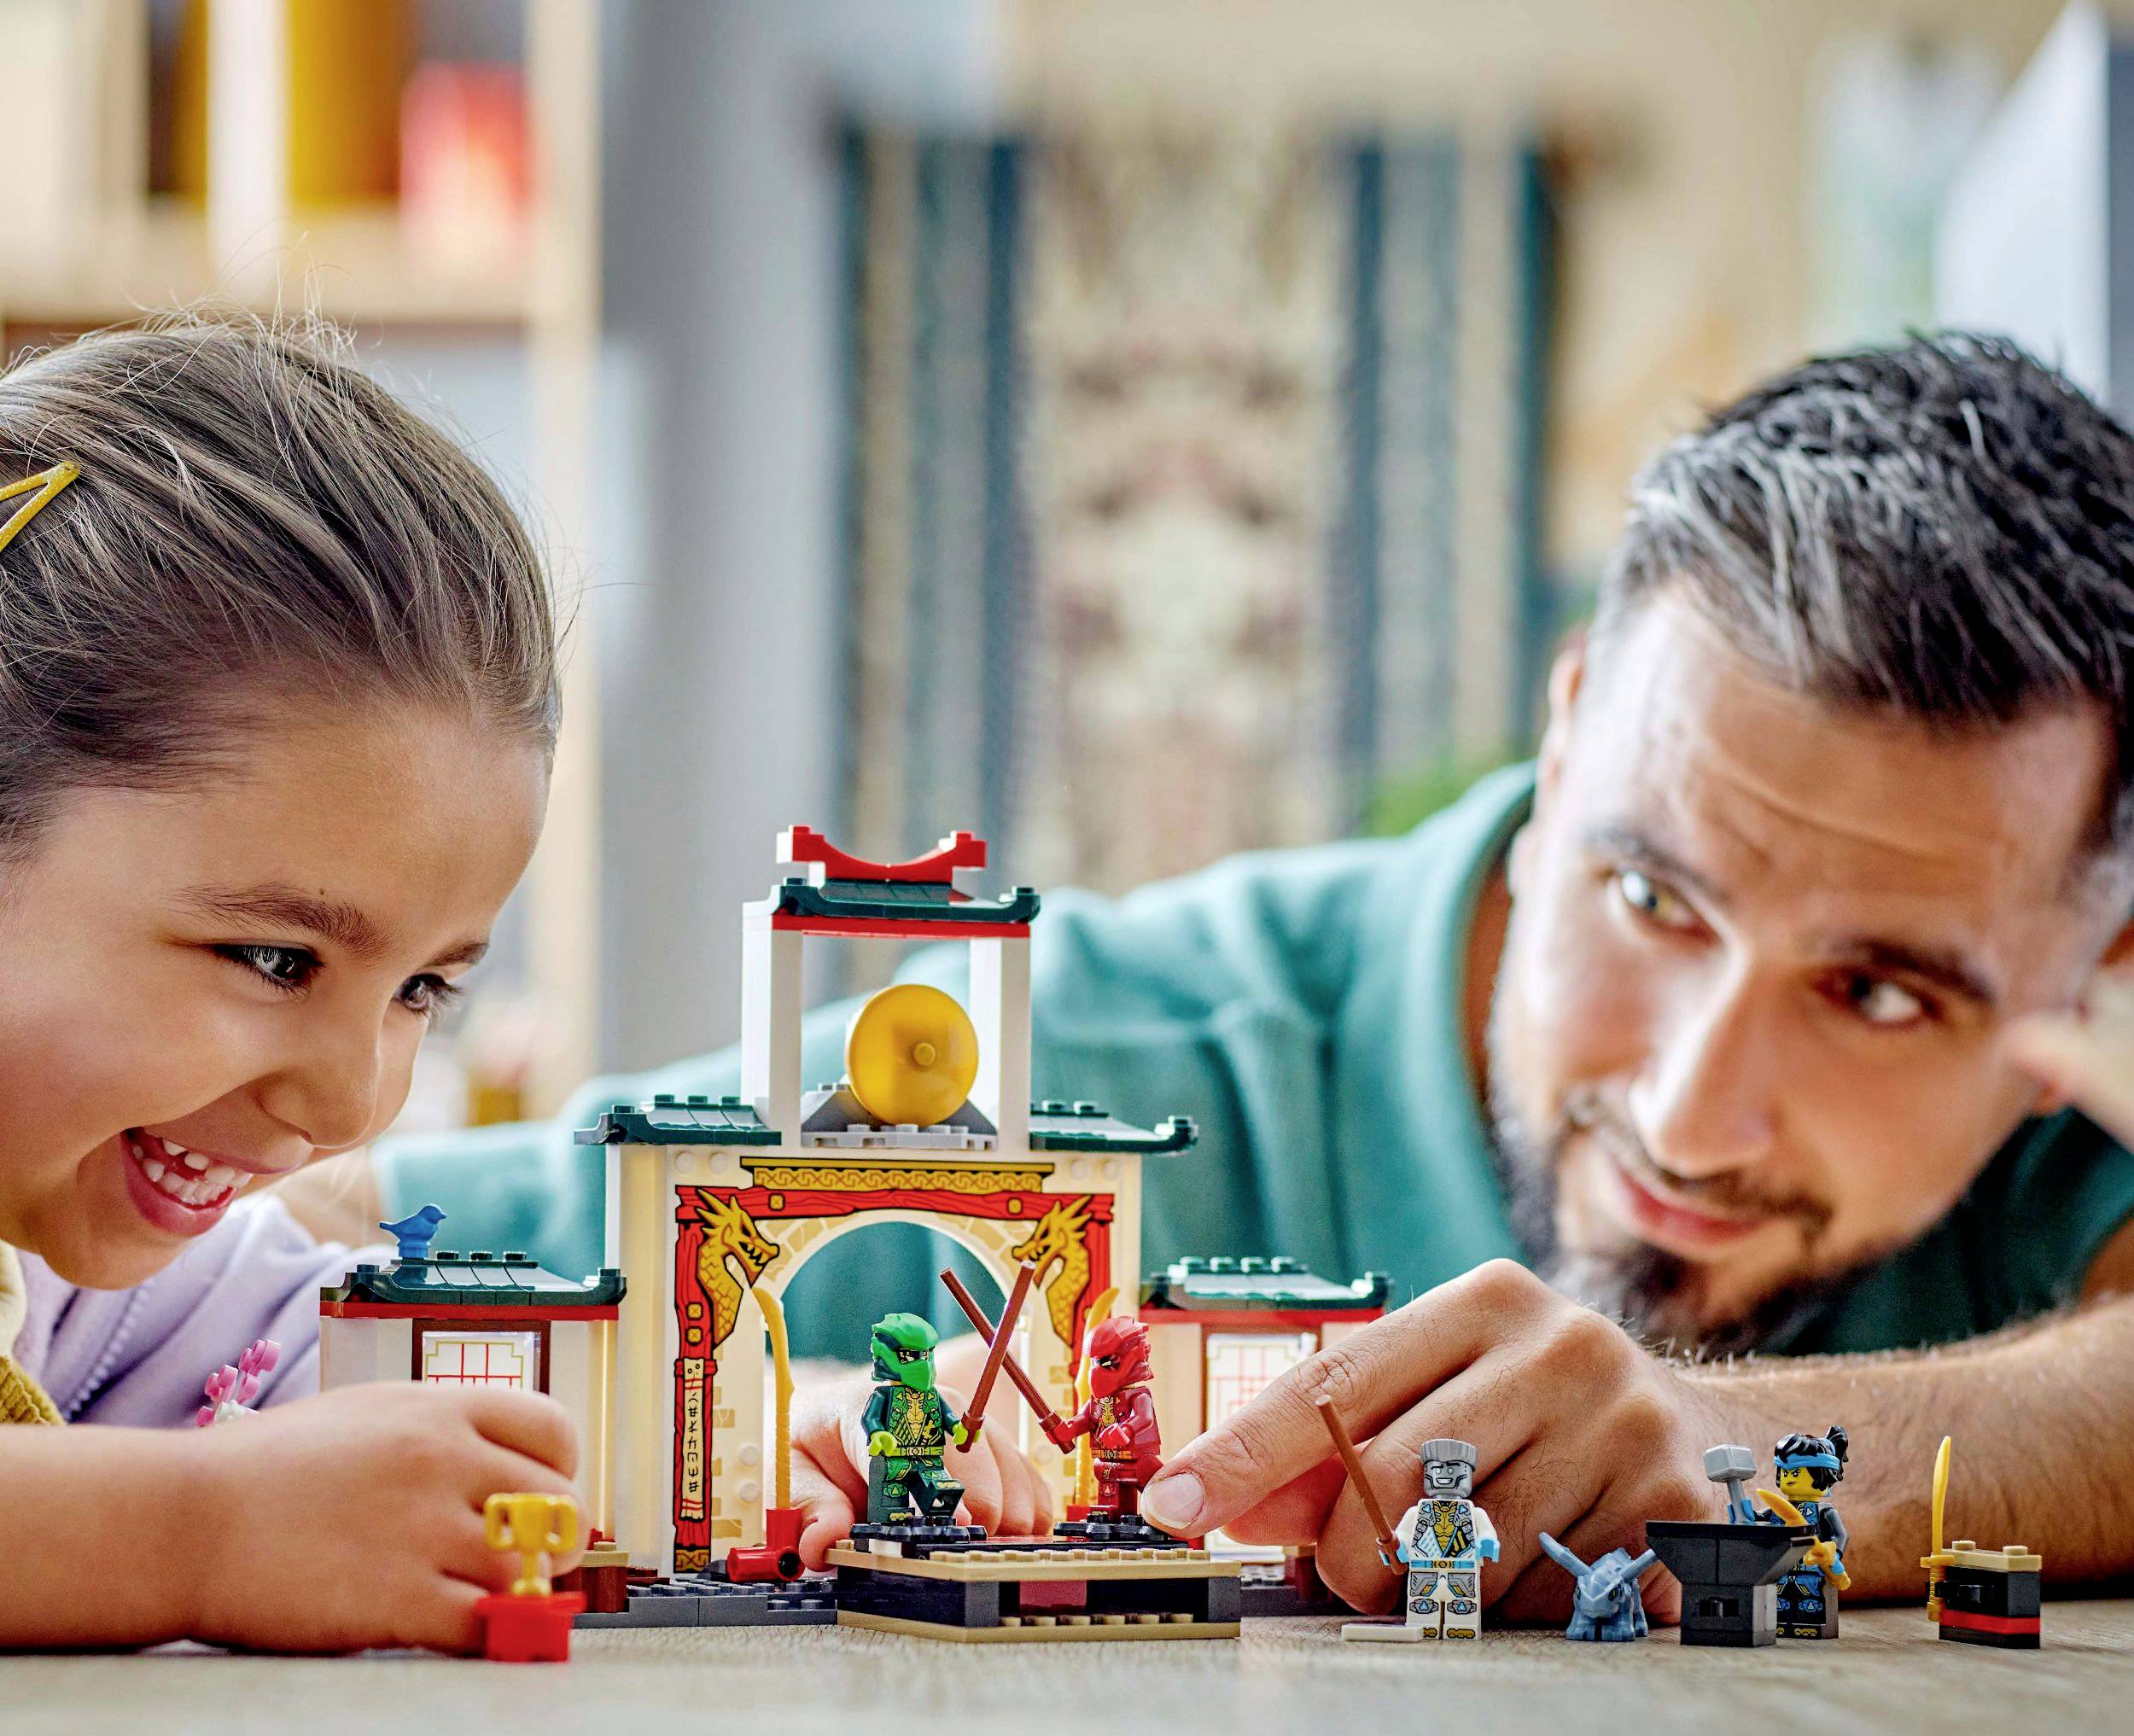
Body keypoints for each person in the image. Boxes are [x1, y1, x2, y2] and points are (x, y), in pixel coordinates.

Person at [346, 332, 2134, 1617]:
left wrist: (1727, 1446)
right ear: (1569, 724)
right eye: (1651, 899)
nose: (1685, 1106)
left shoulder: (2080, 1123)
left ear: (2097, 966)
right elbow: (267, 1246)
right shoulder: (1093, 1063)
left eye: (1880, 996)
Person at [0, 317, 581, 1652]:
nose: (345, 1100)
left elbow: (381, 1381)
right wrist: (198, 1530)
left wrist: (816, 1430)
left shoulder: (81, 1257)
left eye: (422, 992)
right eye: (276, 961)